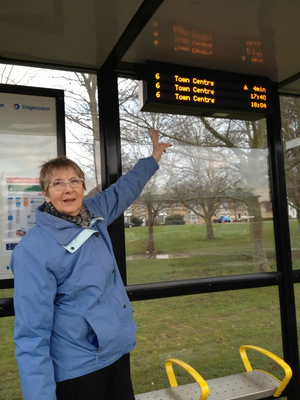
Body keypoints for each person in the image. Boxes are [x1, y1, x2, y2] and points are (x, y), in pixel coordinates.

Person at [10, 128, 172, 400]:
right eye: (58, 183)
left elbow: (125, 188)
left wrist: (153, 158)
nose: (68, 188)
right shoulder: (33, 251)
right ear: (46, 194)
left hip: (115, 352)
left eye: (74, 180)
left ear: (83, 187)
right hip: (78, 370)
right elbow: (31, 334)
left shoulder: (94, 211)